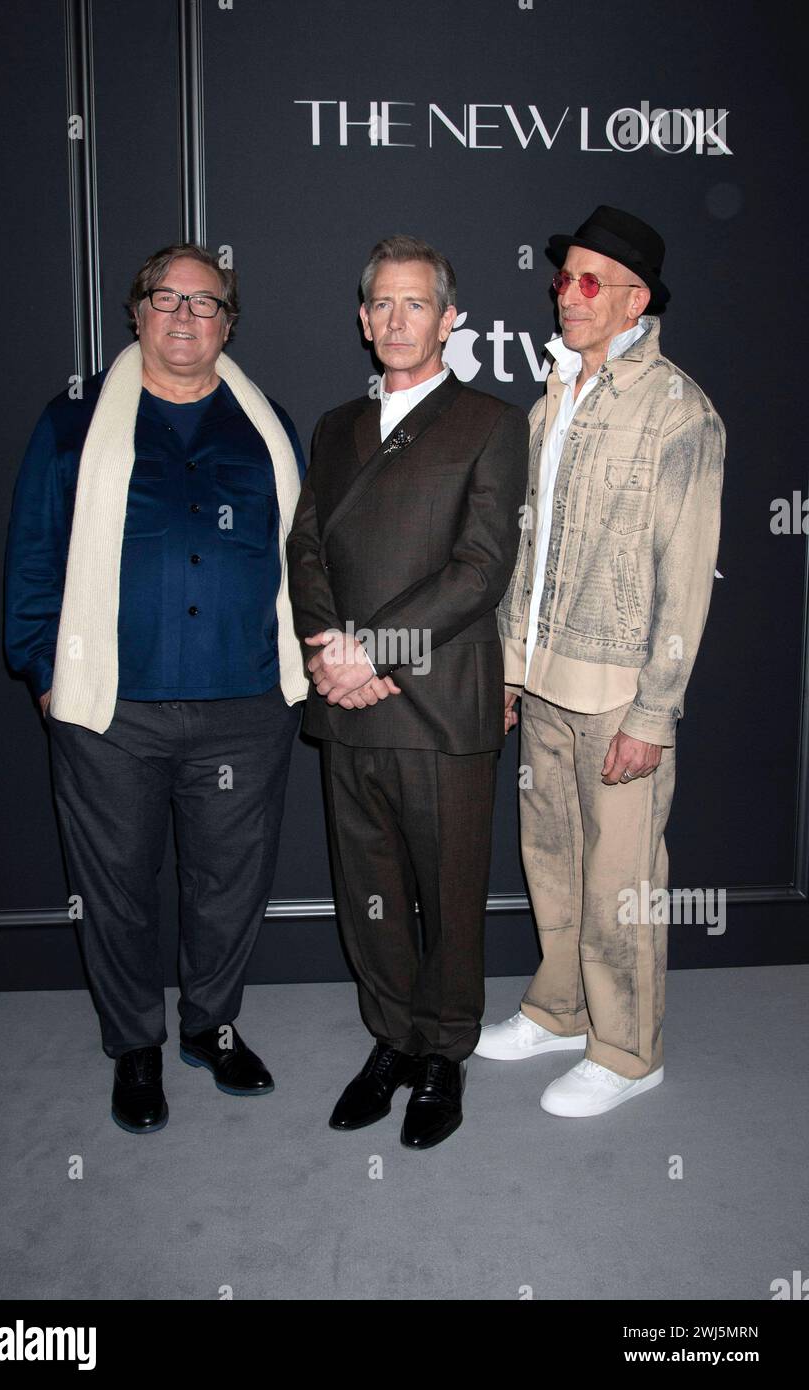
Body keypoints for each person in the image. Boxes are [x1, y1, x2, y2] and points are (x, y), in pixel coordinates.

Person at [4, 243, 308, 1133]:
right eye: (165, 299)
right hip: (111, 710)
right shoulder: (71, 423)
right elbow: (31, 558)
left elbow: (304, 556)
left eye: (203, 302)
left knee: (228, 885)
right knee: (116, 888)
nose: (183, 316)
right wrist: (45, 670)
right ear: (135, 313)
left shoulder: (268, 427)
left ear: (228, 323)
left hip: (246, 706)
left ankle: (210, 1027)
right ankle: (134, 1043)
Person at [477, 206, 725, 1117]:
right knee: (551, 860)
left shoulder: (678, 410)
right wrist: (509, 668)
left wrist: (654, 713)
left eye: (589, 281)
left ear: (636, 301)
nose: (566, 295)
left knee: (622, 883)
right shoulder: (552, 403)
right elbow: (525, 551)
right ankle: (560, 1007)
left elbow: (686, 577)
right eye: (563, 278)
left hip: (619, 694)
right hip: (542, 680)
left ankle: (627, 1051)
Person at [287, 235, 529, 1149]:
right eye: (381, 304)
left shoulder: (492, 423)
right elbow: (305, 547)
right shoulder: (333, 426)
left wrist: (369, 652)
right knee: (370, 890)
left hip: (438, 704)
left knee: (449, 891)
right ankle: (390, 1039)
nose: (396, 320)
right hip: (346, 702)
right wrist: (327, 648)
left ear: (449, 318)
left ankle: (443, 1056)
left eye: (415, 304)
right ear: (362, 319)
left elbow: (479, 569)